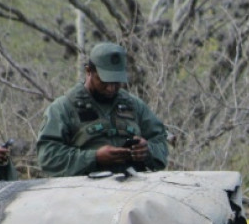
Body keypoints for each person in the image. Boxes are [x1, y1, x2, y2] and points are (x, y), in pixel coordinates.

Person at [37, 42, 169, 177]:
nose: (111, 88)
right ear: (89, 72)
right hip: (81, 192)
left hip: (132, 189)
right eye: (104, 81)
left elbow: (161, 142)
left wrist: (147, 151)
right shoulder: (63, 108)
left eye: (116, 82)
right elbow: (47, 157)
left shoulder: (135, 105)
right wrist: (94, 157)